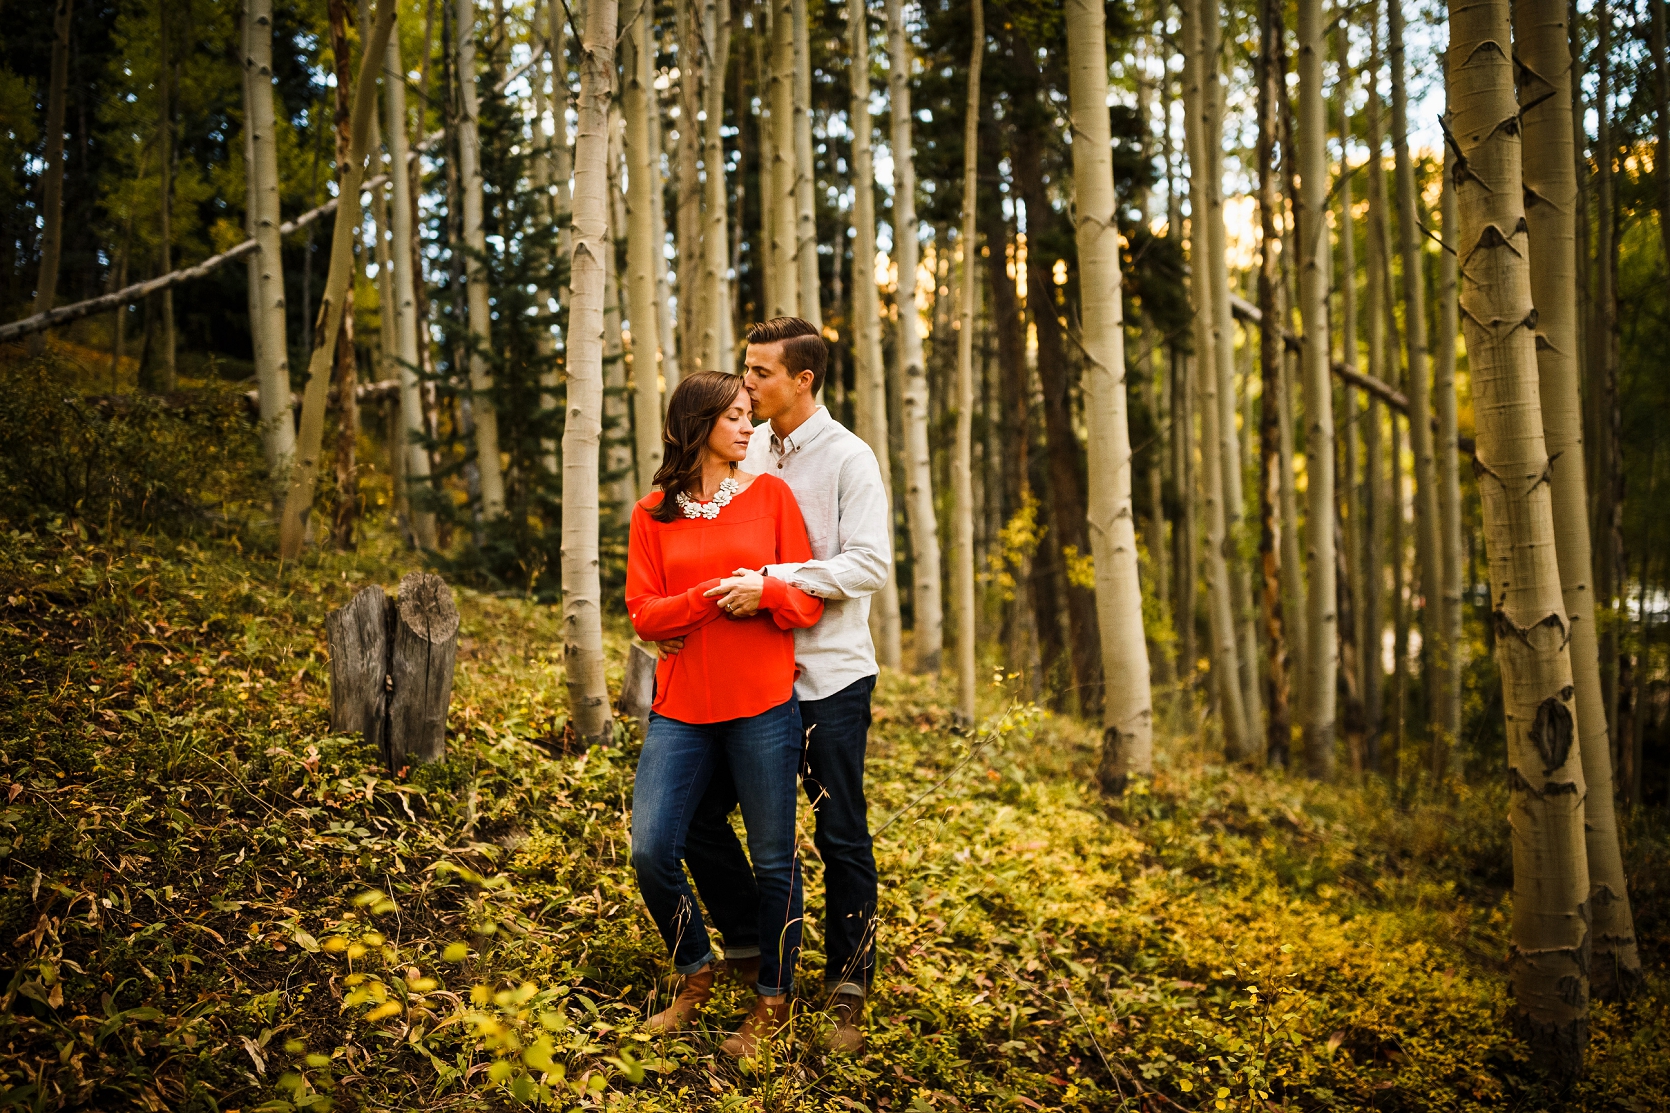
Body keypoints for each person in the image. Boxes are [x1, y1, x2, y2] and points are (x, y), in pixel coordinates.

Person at [665, 317, 893, 1054]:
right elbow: (707, 537)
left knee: (839, 833)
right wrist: (676, 611)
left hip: (829, 678)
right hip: (751, 676)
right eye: (745, 369)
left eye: (761, 372)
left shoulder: (848, 457)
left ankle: (848, 991)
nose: (747, 384)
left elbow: (869, 565)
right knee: (697, 816)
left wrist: (774, 581)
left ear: (803, 379)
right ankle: (757, 944)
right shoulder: (748, 447)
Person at [624, 370, 824, 1058]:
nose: (749, 427)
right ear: (699, 421)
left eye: (750, 415)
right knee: (652, 846)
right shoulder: (652, 513)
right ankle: (695, 970)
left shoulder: (771, 497)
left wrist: (763, 591)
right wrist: (710, 598)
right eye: (736, 416)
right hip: (680, 706)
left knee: (774, 860)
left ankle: (773, 997)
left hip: (763, 702)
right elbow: (643, 612)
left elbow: (805, 601)